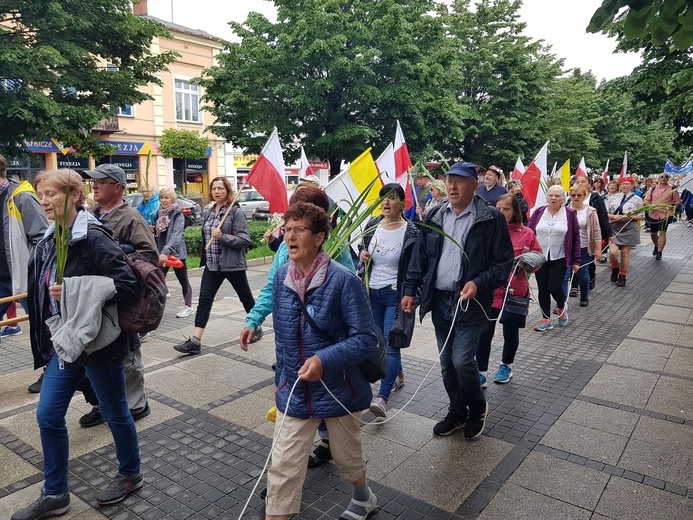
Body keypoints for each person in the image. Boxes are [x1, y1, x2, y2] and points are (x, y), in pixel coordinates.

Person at [12, 169, 142, 520]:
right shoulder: (52, 237)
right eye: (41, 194)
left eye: (51, 194)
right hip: (66, 341)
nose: (43, 201)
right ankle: (55, 494)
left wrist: (74, 287)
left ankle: (130, 474)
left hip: (99, 344)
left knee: (115, 412)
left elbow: (129, 285)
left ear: (74, 196)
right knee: (48, 415)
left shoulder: (94, 237)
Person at [252, 201, 379, 520]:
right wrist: (280, 382)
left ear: (320, 237)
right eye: (286, 229)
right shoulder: (282, 277)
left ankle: (363, 497)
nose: (289, 237)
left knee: (347, 459)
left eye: (298, 230)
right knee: (281, 469)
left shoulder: (344, 281)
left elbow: (366, 339)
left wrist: (324, 360)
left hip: (339, 389)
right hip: (294, 392)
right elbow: (284, 341)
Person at [240, 185, 355, 468]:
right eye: (290, 221)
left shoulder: (336, 250)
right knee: (294, 415)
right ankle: (284, 481)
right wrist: (253, 319)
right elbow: (271, 286)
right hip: (292, 346)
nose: (292, 230)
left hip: (324, 346)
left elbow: (351, 288)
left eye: (301, 223)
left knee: (333, 415)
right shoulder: (284, 249)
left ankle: (336, 455)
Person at [402, 161, 513, 438]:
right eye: (450, 180)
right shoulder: (436, 214)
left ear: (474, 185)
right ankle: (456, 411)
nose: (452, 186)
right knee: (446, 361)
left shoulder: (490, 218)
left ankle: (477, 408)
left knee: (463, 360)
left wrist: (478, 282)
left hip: (471, 302)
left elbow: (503, 264)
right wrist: (409, 289)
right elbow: (420, 256)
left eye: (460, 181)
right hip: (439, 299)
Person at [80, 163, 158, 428]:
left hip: (124, 295)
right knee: (96, 349)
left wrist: (119, 254)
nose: (94, 185)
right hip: (95, 295)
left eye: (100, 181)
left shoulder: (131, 217)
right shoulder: (90, 213)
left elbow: (150, 255)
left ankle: (137, 404)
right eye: (93, 181)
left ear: (117, 187)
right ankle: (103, 404)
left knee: (127, 351)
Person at [175, 176, 259, 355]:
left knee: (245, 298)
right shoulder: (209, 211)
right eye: (214, 189)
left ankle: (256, 325)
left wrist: (223, 237)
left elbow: (245, 240)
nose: (217, 192)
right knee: (204, 300)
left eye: (221, 188)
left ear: (227, 191)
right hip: (212, 265)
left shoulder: (235, 212)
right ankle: (195, 341)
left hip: (232, 265)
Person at [359, 183, 418, 418]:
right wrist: (363, 255)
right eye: (382, 198)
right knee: (380, 342)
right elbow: (363, 249)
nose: (385, 203)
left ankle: (382, 398)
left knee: (391, 344)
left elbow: (415, 267)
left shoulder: (411, 231)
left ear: (402, 204)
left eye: (391, 198)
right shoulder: (373, 224)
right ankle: (398, 375)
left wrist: (411, 294)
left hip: (396, 295)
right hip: (372, 292)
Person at [476, 194, 542, 385]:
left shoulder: (527, 233)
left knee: (510, 332)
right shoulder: (488, 230)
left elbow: (538, 257)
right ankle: (480, 370)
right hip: (491, 291)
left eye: (506, 209)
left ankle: (506, 365)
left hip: (515, 292)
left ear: (515, 211)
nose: (502, 212)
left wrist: (528, 263)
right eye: (498, 208)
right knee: (484, 332)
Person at [0, 154, 49, 390]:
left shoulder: (21, 197)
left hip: (25, 275)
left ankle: (51, 369)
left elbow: (41, 237)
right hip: (2, 277)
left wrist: (34, 274)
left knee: (43, 325)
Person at [527, 185, 580, 331]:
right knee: (542, 287)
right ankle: (546, 319)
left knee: (554, 286)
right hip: (539, 256)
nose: (553, 198)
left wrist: (576, 260)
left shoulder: (569, 214)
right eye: (551, 195)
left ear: (563, 198)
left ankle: (562, 307)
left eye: (557, 196)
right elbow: (529, 233)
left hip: (560, 256)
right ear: (547, 197)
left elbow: (575, 238)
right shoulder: (538, 212)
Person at [155, 187, 193, 318]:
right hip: (162, 253)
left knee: (183, 280)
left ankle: (188, 307)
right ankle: (157, 307)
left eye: (167, 198)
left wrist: (166, 250)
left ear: (172, 199)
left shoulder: (178, 214)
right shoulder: (159, 213)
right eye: (162, 197)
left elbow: (176, 236)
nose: (164, 200)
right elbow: (160, 233)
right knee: (158, 280)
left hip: (175, 253)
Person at [568, 175, 610, 291]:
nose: (580, 183)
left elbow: (602, 218)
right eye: (578, 181)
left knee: (585, 268)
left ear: (589, 184)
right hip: (571, 244)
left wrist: (607, 235)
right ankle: (574, 287)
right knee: (572, 267)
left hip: (587, 241)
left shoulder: (596, 198)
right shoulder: (568, 204)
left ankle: (588, 283)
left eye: (583, 181)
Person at [563, 185, 601, 307]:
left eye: (579, 195)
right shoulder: (565, 210)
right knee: (565, 275)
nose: (576, 198)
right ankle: (562, 302)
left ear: (584, 196)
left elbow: (596, 231)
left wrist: (598, 249)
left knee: (582, 274)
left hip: (584, 248)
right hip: (567, 248)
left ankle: (584, 294)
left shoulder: (591, 211)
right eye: (573, 195)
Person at [607, 176, 644, 287]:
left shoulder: (637, 199)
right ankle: (614, 268)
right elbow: (605, 213)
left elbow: (641, 216)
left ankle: (623, 276)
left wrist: (630, 217)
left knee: (625, 253)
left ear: (632, 186)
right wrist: (614, 216)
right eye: (623, 183)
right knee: (613, 252)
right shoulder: (613, 198)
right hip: (614, 226)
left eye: (627, 183)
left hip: (629, 227)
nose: (625, 185)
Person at [644, 172, 681, 260]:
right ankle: (656, 246)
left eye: (666, 177)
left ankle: (659, 252)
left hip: (666, 214)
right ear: (658, 179)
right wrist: (648, 205)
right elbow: (646, 200)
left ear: (668, 179)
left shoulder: (672, 189)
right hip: (653, 214)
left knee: (662, 232)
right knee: (653, 233)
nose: (664, 178)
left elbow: (677, 201)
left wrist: (673, 208)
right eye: (662, 177)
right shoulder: (653, 189)